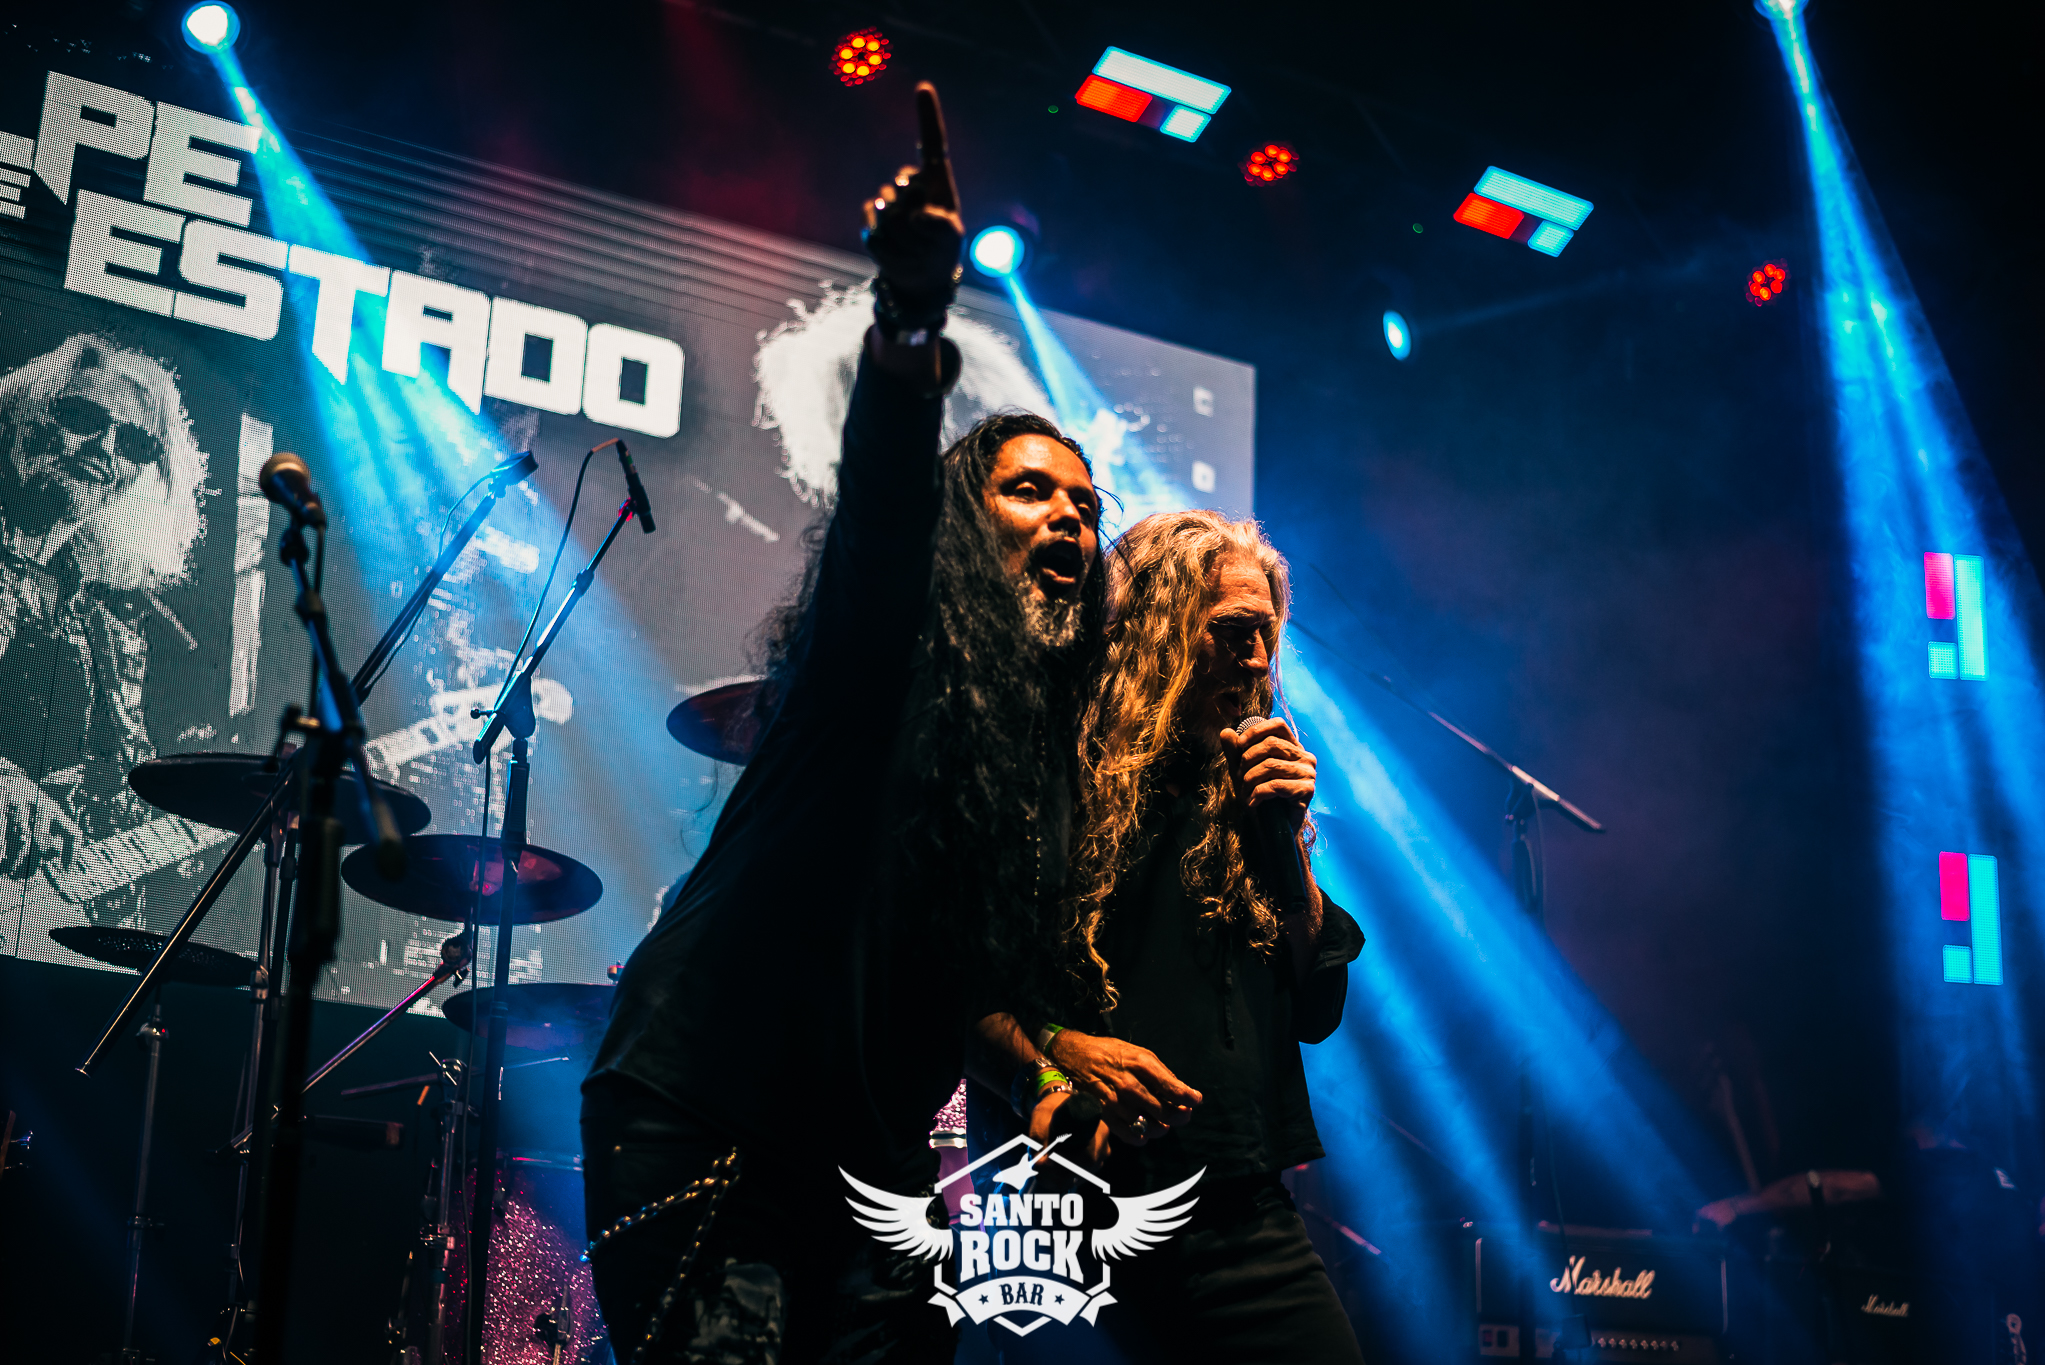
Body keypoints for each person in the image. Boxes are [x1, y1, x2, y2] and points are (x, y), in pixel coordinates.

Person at [582, 84, 1105, 1364]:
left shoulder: (1037, 758)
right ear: (963, 531)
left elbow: (975, 985)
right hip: (713, 1111)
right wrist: (911, 318)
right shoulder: (885, 650)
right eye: (1030, 492)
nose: (1069, 518)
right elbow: (882, 510)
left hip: (869, 1166)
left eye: (1087, 507)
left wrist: (1047, 1072)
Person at [970, 509, 1367, 1363]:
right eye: (1233, 632)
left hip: (1241, 1214)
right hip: (1066, 1214)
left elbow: (1314, 1008)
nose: (1257, 660)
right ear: (1155, 629)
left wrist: (1286, 846)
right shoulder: (1046, 769)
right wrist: (1052, 1055)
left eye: (1265, 635)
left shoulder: (1247, 795)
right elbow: (946, 981)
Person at [0, 332, 206, 924]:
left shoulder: (108, 627)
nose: (104, 447)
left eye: (136, 444)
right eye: (82, 417)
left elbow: (118, 797)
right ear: (26, 418)